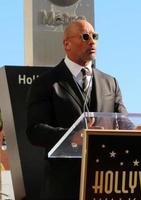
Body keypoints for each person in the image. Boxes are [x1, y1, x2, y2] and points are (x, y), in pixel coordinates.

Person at [26, 18, 129, 199]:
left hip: (104, 185)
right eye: (85, 36)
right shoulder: (45, 83)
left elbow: (123, 122)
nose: (92, 41)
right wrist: (72, 136)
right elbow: (35, 131)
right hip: (64, 188)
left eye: (94, 36)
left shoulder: (110, 82)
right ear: (67, 44)